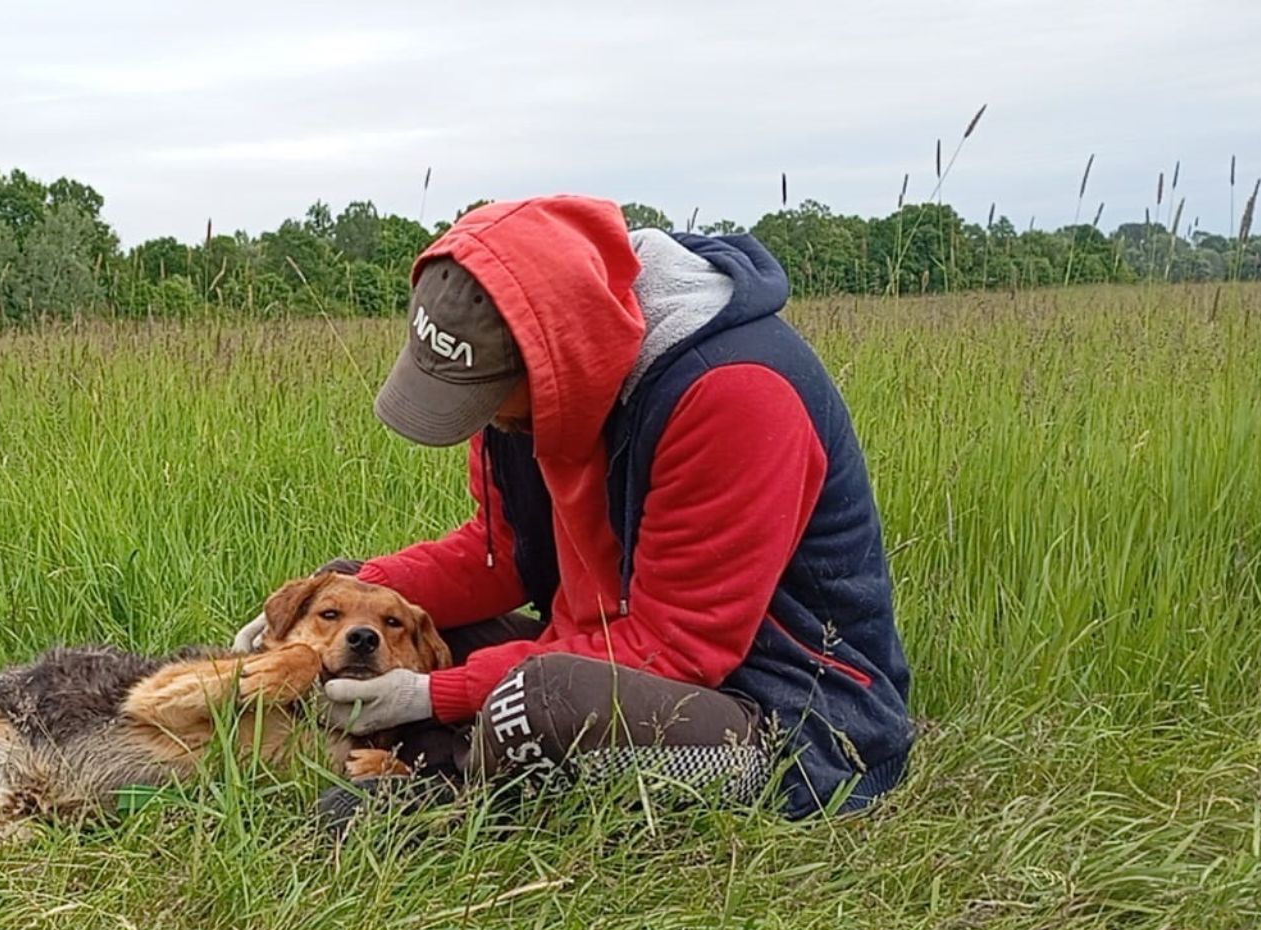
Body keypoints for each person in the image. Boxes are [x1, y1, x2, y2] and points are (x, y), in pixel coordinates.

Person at [232, 194, 915, 823]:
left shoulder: (734, 392)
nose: (485, 422)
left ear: (557, 361)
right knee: (365, 596)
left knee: (541, 701)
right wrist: (302, 611)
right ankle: (379, 745)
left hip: (777, 717)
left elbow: (674, 651)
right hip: (596, 658)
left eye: (490, 400)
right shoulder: (527, 404)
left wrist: (432, 696)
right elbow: (501, 555)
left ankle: (441, 795)